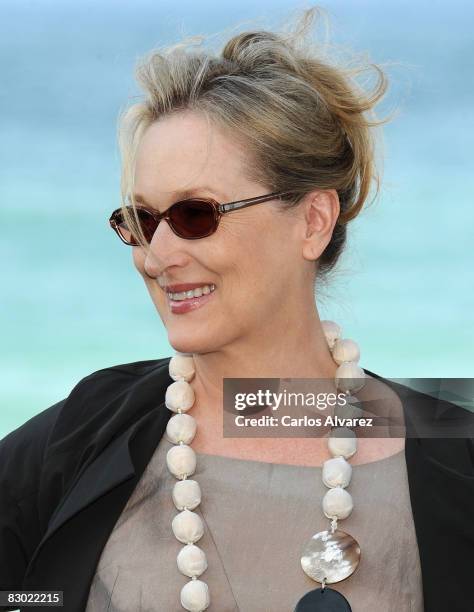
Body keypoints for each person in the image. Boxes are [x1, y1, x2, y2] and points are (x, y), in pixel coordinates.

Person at [1, 7, 473, 612]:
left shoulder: (450, 449)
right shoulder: (84, 435)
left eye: (196, 215)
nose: (157, 255)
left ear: (313, 222)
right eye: (142, 221)